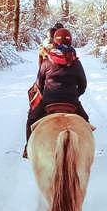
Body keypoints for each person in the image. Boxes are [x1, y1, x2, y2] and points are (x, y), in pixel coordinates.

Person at [23, 28, 89, 158]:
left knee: (31, 120)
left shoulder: (47, 61)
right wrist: (75, 95)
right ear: (70, 41)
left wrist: (46, 94)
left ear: (54, 41)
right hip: (71, 103)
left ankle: (28, 148)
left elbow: (39, 84)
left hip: (49, 102)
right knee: (86, 121)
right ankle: (84, 151)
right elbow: (83, 85)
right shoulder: (76, 62)